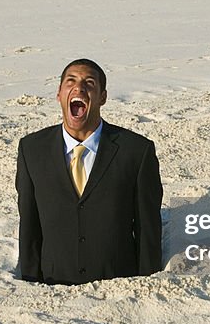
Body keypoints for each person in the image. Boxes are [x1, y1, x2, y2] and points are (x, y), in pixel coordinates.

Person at [16, 58, 163, 284]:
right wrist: (29, 281)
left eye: (89, 83)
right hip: (54, 285)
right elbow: (29, 225)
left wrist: (147, 284)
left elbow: (148, 230)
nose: (79, 88)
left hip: (116, 286)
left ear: (102, 97)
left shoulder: (137, 151)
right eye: (71, 81)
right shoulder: (32, 149)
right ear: (59, 94)